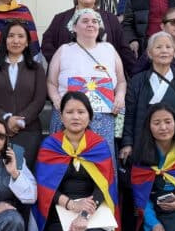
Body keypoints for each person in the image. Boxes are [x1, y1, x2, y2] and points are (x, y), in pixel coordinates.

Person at [30, 92, 138, 231]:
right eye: (69, 112)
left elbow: (104, 185)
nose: (75, 116)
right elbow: (44, 186)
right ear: (61, 116)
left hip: (93, 208)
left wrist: (85, 214)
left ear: (90, 116)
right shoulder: (50, 145)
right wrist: (71, 204)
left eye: (81, 112)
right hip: (59, 208)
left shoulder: (98, 145)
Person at [48, 9, 127, 158]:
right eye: (85, 21)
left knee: (101, 165)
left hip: (102, 119)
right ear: (74, 27)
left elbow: (121, 81)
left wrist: (120, 97)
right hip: (69, 116)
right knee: (66, 163)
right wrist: (56, 99)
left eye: (94, 21)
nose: (90, 24)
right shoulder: (64, 50)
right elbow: (51, 83)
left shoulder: (109, 49)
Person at [120, 31, 175, 165]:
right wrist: (127, 143)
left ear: (173, 52)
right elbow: (129, 115)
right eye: (158, 47)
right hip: (144, 144)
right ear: (149, 53)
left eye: (168, 47)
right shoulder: (137, 82)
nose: (164, 51)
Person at [0, 19, 48, 167]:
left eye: (21, 36)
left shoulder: (36, 68)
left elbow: (39, 99)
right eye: (11, 36)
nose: (16, 40)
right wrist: (6, 118)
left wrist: (20, 121)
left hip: (28, 131)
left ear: (27, 42)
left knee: (22, 174)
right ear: (4, 40)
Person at [42, 0, 134, 71]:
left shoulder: (111, 19)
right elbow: (47, 44)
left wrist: (134, 74)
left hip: (103, 75)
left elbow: (124, 49)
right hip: (69, 74)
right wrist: (60, 64)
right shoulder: (60, 18)